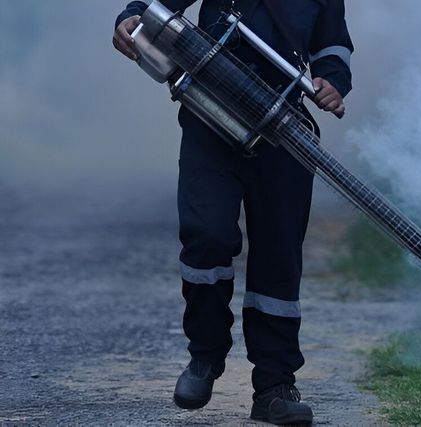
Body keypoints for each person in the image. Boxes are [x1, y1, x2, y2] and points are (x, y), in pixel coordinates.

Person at [112, 0, 353, 424]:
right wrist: (128, 19)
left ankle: (275, 388)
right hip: (210, 114)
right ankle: (204, 358)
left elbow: (333, 46)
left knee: (279, 260)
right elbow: (154, 8)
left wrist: (332, 81)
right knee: (207, 235)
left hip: (286, 132)